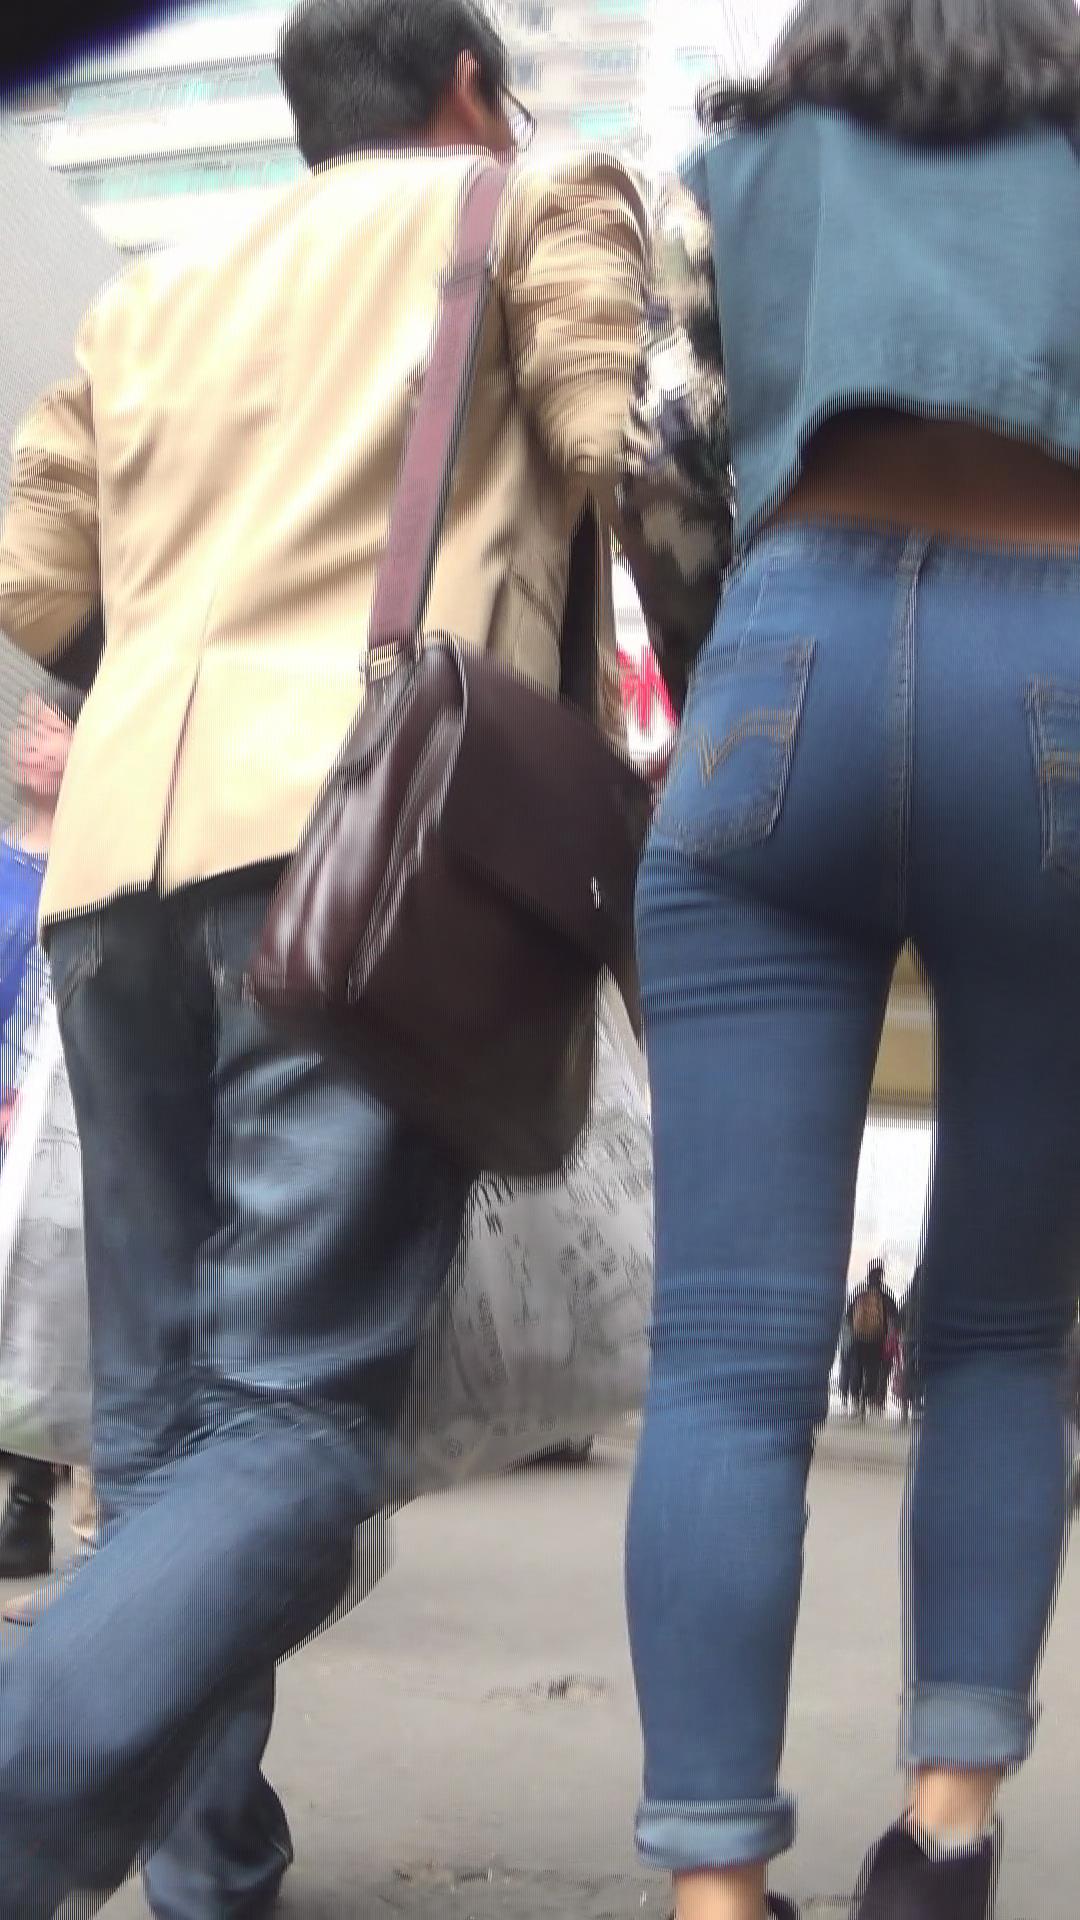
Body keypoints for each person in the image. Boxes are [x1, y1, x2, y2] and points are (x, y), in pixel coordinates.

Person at [0, 0, 656, 1908]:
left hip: (120, 866)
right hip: (366, 856)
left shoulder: (157, 292)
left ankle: (212, 1864)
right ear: (469, 88)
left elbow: (33, 578)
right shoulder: (529, 203)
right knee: (293, 1425)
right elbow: (626, 445)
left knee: (162, 1425)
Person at [619, 3, 1080, 1917]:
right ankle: (947, 1835)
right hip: (1058, 685)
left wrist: (734, 666)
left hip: (781, 666)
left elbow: (662, 465)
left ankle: (715, 1894)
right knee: (1003, 1331)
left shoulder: (725, 182)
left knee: (726, 1358)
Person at [0, 685, 92, 1585]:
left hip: (43, 1113)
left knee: (40, 1298)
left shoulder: (89, 870)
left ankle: (29, 1506)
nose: (32, 741)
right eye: (28, 724)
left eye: (54, 729)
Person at [844, 1260, 901, 1418]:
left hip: (858, 1339)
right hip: (877, 1340)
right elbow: (894, 1319)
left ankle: (855, 1400)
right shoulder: (885, 1298)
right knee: (873, 1371)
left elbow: (848, 1318)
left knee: (856, 1368)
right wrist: (891, 1336)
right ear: (880, 1279)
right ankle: (866, 1398)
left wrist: (853, 1333)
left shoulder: (859, 1295)